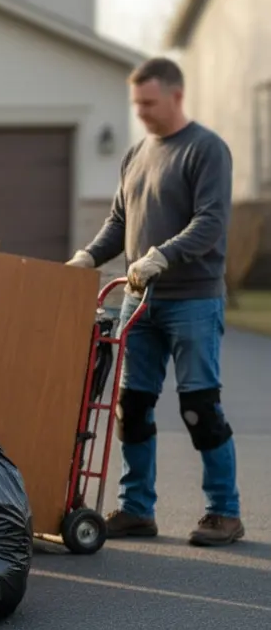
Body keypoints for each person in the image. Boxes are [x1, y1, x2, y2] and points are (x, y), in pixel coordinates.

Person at [66, 57, 242, 547]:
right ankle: (137, 509)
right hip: (138, 302)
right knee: (131, 407)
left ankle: (224, 512)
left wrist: (161, 256)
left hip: (193, 301)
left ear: (175, 95)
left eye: (148, 102)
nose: (140, 112)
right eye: (136, 103)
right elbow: (119, 222)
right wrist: (87, 257)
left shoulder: (206, 149)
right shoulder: (136, 154)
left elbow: (211, 223)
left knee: (199, 409)